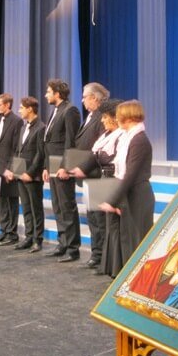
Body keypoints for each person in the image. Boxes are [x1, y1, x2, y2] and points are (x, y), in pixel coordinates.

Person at [69, 98, 124, 277]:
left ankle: (109, 261)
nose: (102, 120)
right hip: (100, 179)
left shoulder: (121, 136)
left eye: (105, 117)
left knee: (105, 224)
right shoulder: (105, 135)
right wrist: (80, 168)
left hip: (110, 181)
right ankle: (99, 256)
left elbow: (110, 159)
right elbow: (94, 156)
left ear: (114, 118)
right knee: (95, 220)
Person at [99, 100, 155, 264]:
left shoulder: (139, 140)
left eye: (119, 116)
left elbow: (130, 175)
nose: (116, 119)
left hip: (138, 196)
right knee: (128, 240)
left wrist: (112, 201)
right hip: (130, 195)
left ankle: (139, 276)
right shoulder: (129, 138)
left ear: (128, 117)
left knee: (137, 241)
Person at [42, 79, 82, 263]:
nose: (46, 95)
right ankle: (63, 243)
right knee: (57, 206)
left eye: (48, 92)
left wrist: (66, 166)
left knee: (67, 206)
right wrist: (46, 167)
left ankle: (73, 248)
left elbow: (70, 141)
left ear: (57, 93)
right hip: (53, 164)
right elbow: (49, 142)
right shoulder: (56, 110)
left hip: (62, 165)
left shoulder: (70, 110)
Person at [3, 96, 46, 253]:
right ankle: (28, 237)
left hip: (32, 176)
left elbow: (40, 154)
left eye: (21, 108)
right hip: (21, 174)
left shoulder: (41, 127)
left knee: (36, 208)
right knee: (26, 207)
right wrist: (12, 169)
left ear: (30, 109)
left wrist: (30, 173)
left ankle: (37, 240)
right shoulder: (23, 127)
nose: (19, 110)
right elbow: (18, 151)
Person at [73, 82, 109, 269]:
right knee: (92, 218)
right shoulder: (91, 116)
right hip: (87, 176)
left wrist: (84, 167)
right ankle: (97, 253)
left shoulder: (103, 117)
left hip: (95, 175)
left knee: (99, 219)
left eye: (84, 97)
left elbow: (100, 148)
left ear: (94, 98)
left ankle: (102, 256)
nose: (82, 101)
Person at [0, 93, 23, 246]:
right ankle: (3, 230)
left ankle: (12, 233)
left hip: (9, 169)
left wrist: (11, 169)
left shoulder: (17, 121)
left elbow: (17, 148)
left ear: (8, 105)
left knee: (11, 201)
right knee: (1, 201)